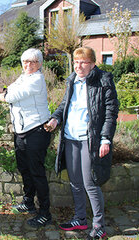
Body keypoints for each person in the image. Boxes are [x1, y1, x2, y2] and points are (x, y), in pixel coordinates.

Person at [44, 47, 119, 239]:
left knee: (90, 182)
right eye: (76, 62)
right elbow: (64, 105)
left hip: (90, 140)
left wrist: (105, 139)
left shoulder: (104, 80)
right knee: (75, 182)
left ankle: (99, 226)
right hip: (70, 138)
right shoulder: (72, 80)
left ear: (93, 64)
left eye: (84, 62)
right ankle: (80, 219)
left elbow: (111, 114)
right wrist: (55, 119)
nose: (79, 66)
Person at [0, 48, 52, 228]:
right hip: (21, 131)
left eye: (33, 62)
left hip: (36, 131)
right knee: (24, 168)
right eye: (26, 61)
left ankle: (45, 213)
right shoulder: (23, 77)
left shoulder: (37, 79)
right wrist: (4, 92)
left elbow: (11, 96)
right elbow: (10, 88)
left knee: (37, 172)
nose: (29, 65)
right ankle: (28, 202)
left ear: (40, 64)